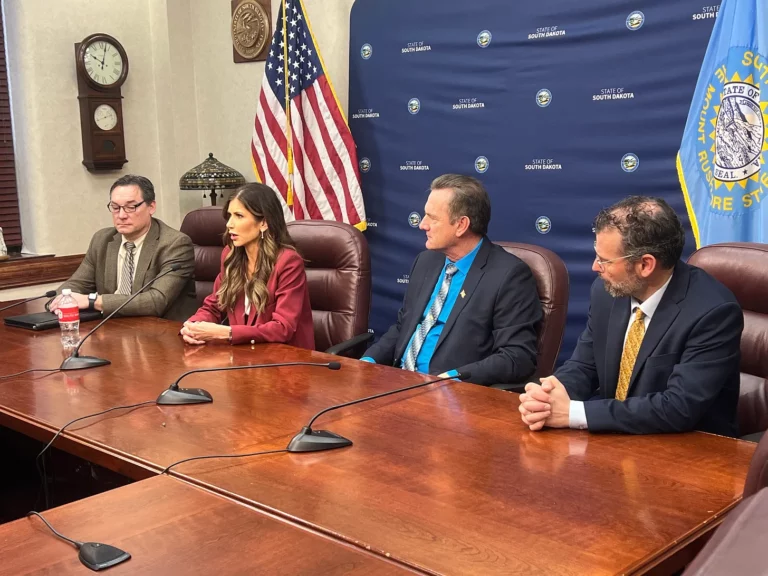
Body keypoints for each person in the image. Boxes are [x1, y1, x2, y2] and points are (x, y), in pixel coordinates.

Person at [519, 196, 743, 436]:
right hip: (617, 440)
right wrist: (551, 395)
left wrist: (573, 414)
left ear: (646, 265)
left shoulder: (713, 312)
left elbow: (678, 408)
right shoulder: (606, 292)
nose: (595, 267)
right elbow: (585, 365)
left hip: (689, 452)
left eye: (605, 260)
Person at [362, 174, 542, 386]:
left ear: (461, 225)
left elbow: (517, 356)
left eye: (433, 218)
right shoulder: (426, 261)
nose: (422, 224)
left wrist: (454, 377)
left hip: (452, 396)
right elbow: (404, 326)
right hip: (398, 383)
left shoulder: (508, 275)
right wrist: (368, 361)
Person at [181, 183, 314, 348]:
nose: (229, 224)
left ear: (264, 223)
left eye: (239, 216)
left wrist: (227, 332)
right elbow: (214, 306)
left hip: (284, 360)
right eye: (229, 216)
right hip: (243, 355)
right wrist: (193, 326)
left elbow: (282, 328)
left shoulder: (288, 262)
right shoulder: (230, 255)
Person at [51, 174, 196, 320]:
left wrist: (94, 301)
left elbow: (156, 301)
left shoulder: (174, 243)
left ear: (151, 207)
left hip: (159, 331)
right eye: (115, 207)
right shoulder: (102, 240)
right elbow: (75, 284)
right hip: (112, 328)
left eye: (130, 207)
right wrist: (63, 300)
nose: (121, 215)